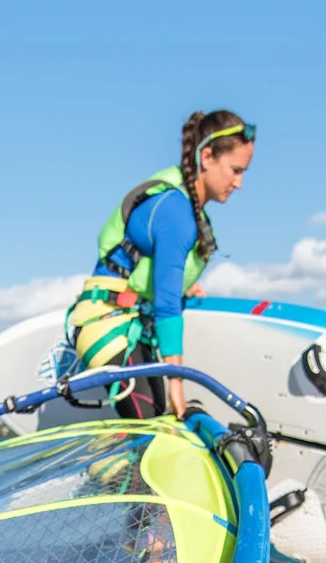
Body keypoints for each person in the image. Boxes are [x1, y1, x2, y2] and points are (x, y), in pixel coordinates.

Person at [66, 110, 255, 420]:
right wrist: (176, 385)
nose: (240, 183)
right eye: (235, 170)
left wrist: (185, 285)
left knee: (154, 424)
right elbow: (167, 305)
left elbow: (152, 275)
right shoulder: (176, 211)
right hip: (109, 326)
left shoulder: (184, 208)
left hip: (128, 324)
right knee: (154, 425)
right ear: (207, 157)